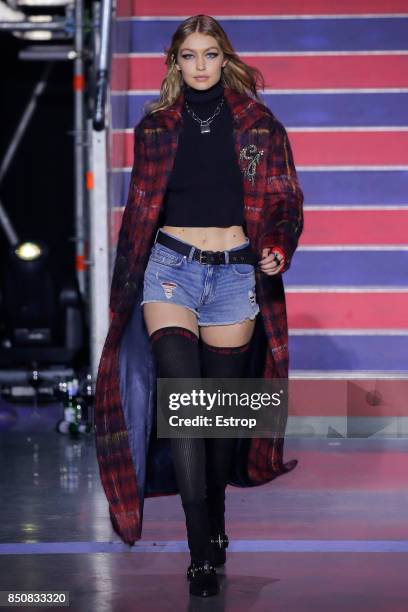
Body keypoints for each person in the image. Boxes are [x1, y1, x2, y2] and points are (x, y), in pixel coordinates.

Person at [95, 14, 304, 598]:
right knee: (184, 406)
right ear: (175, 63)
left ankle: (214, 523)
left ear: (225, 58)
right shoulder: (155, 129)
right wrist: (124, 291)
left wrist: (277, 247)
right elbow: (140, 214)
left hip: (236, 273)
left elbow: (286, 199)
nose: (201, 66)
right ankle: (199, 553)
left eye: (210, 54)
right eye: (189, 56)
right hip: (170, 271)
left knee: (218, 425)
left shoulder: (262, 127)